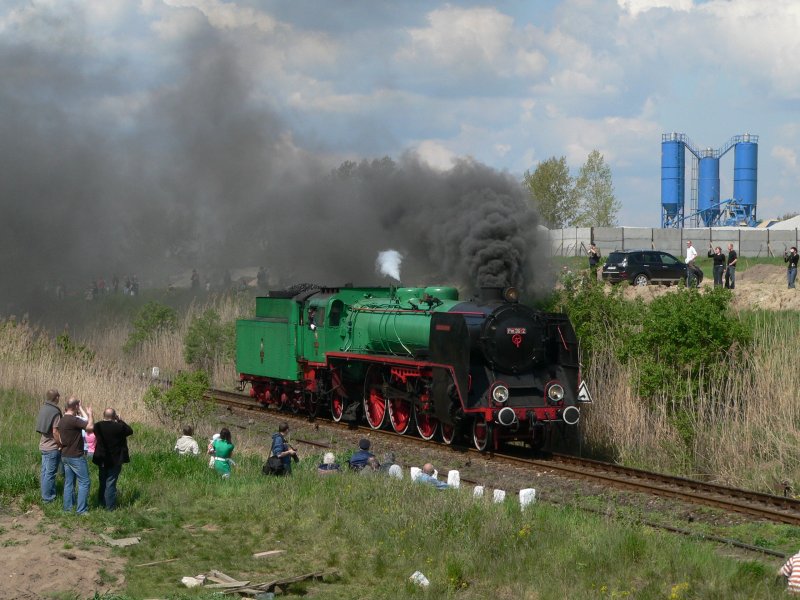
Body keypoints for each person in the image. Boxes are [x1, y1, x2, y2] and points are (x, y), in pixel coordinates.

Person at [58, 398, 94, 514]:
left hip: (65, 455)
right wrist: (90, 414)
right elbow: (90, 428)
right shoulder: (73, 420)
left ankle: (67, 508)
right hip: (75, 456)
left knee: (69, 482)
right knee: (84, 482)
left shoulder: (62, 420)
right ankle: (81, 510)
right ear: (76, 407)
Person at [93, 408, 133, 510]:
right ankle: (110, 507)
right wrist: (120, 420)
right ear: (114, 416)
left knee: (102, 481)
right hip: (115, 459)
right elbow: (130, 431)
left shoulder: (97, 426)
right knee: (110, 482)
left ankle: (101, 502)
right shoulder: (119, 427)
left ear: (104, 415)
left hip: (101, 458)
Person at [35, 389, 63, 503]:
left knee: (45, 472)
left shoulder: (43, 408)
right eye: (58, 396)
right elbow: (55, 431)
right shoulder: (55, 411)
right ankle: (47, 498)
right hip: (52, 447)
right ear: (56, 398)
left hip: (43, 444)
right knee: (50, 474)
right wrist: (60, 444)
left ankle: (45, 494)